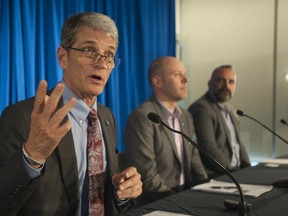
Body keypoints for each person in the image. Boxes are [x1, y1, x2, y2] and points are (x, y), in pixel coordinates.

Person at [0, 12, 142, 216]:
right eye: (88, 50)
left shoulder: (106, 116)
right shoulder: (21, 117)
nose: (101, 63)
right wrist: (33, 155)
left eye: (109, 54)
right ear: (62, 57)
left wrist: (123, 191)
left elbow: (105, 190)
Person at [123, 56, 208, 206]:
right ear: (158, 81)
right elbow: (147, 175)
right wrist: (176, 201)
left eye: (185, 74)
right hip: (158, 201)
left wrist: (205, 188)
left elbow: (195, 160)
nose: (185, 80)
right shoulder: (143, 117)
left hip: (187, 195)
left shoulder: (186, 116)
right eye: (177, 75)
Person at [188, 65, 250, 179]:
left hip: (236, 172)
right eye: (220, 80)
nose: (226, 86)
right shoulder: (202, 109)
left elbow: (238, 143)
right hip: (217, 175)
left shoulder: (230, 109)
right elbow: (208, 149)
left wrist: (248, 168)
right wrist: (233, 172)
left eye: (231, 82)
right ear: (209, 84)